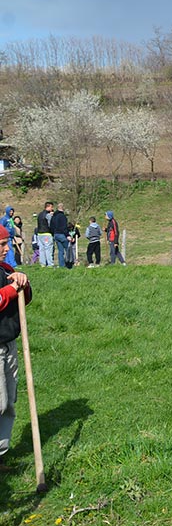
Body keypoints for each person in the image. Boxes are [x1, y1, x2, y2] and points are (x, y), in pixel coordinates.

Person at [0, 223, 32, 472]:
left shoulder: (5, 269)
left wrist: (23, 282)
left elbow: (24, 297)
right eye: (2, 244)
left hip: (9, 345)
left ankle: (2, 453)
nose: (6, 248)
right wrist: (11, 290)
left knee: (9, 402)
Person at [50, 203, 69, 268]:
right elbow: (64, 227)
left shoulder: (54, 216)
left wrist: (53, 233)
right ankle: (69, 263)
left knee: (60, 251)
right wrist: (67, 235)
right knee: (68, 249)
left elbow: (51, 226)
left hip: (56, 234)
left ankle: (61, 265)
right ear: (62, 208)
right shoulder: (62, 216)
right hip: (62, 234)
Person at [36, 202, 54, 268]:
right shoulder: (48, 215)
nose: (52, 209)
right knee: (48, 249)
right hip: (47, 233)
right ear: (48, 207)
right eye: (51, 207)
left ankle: (42, 264)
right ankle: (50, 264)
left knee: (41, 249)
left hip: (39, 234)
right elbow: (50, 224)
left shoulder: (40, 214)